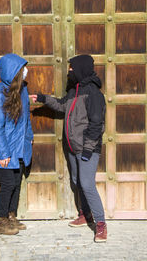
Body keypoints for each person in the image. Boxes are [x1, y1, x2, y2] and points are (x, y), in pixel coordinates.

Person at [31, 54, 107, 242]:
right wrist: (42, 98)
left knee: (87, 184)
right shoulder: (75, 91)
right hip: (73, 147)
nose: (69, 72)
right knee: (76, 181)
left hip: (87, 148)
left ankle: (101, 224)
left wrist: (88, 149)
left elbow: (97, 124)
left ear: (81, 68)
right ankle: (85, 215)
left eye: (72, 68)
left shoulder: (93, 93)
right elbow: (61, 105)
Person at [0, 53, 34, 235]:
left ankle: (12, 215)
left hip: (19, 146)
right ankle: (2, 220)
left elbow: (26, 119)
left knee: (17, 182)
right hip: (4, 149)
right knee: (8, 184)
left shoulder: (22, 91)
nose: (25, 72)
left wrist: (29, 138)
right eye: (22, 69)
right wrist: (3, 154)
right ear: (13, 72)